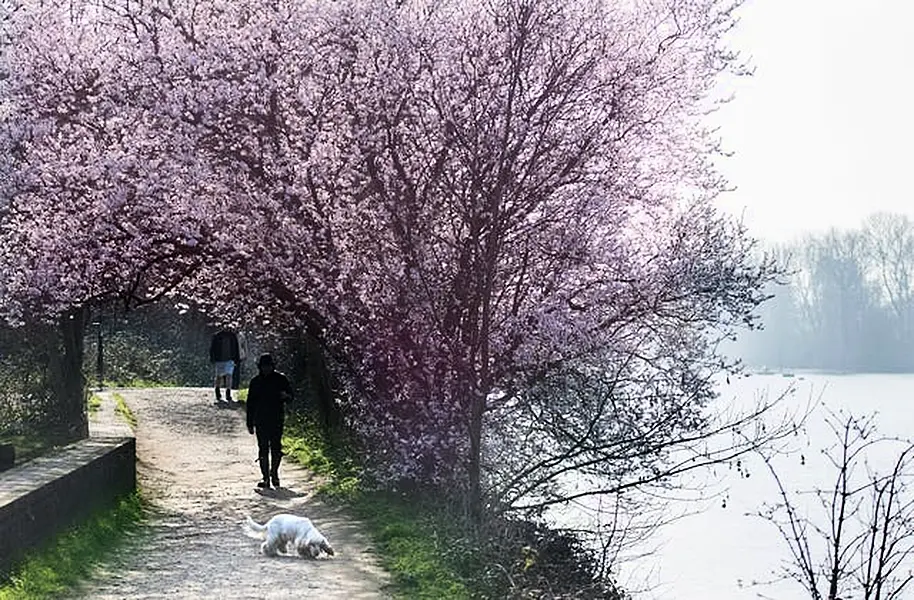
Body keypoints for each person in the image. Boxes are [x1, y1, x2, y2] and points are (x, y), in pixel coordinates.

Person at [246, 353, 293, 489]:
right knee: (263, 448)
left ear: (273, 366)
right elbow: (250, 404)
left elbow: (291, 397)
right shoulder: (255, 382)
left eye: (269, 366)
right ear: (259, 367)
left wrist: (286, 396)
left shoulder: (281, 379)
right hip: (261, 420)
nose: (266, 369)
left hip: (277, 418)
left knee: (276, 448)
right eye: (264, 366)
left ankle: (274, 473)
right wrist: (250, 422)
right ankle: (265, 477)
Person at [210, 329, 240, 404]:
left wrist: (236, 359)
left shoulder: (233, 336)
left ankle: (228, 393)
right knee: (218, 376)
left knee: (229, 375)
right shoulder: (217, 336)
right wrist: (212, 358)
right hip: (219, 359)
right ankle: (217, 390)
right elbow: (212, 348)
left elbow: (236, 348)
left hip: (230, 359)